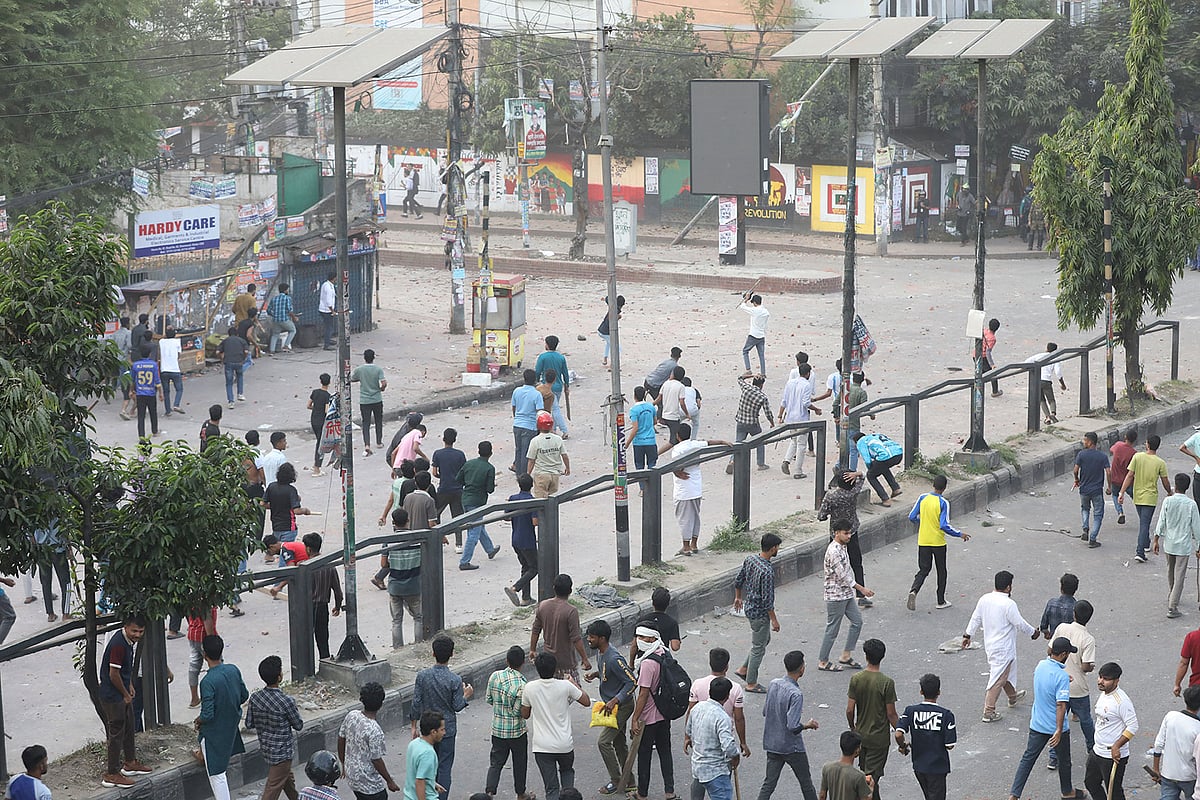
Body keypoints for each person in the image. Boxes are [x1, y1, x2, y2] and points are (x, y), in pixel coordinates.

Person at [1006, 637, 1079, 800]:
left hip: (1037, 724)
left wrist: (1063, 678)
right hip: (1055, 728)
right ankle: (1067, 792)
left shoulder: (1041, 666)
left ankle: (1014, 795)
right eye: (1068, 653)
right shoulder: (1061, 676)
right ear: (1063, 654)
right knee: (1065, 762)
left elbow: (1047, 682)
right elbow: (1061, 705)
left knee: (1028, 759)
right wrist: (1059, 730)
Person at [963, 570, 1040, 723]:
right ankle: (989, 710)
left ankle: (1013, 696)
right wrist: (1033, 632)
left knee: (1005, 673)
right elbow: (1019, 623)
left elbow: (975, 618)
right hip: (1003, 647)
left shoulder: (985, 599)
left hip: (991, 645)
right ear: (1008, 587)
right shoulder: (1008, 604)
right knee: (998, 678)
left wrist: (967, 635)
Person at [410, 636, 473, 800]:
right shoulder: (454, 679)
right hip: (447, 729)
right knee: (444, 767)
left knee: (426, 766)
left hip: (426, 727)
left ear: (432, 653)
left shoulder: (422, 676)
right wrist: (466, 695)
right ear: (452, 654)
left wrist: (413, 726)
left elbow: (416, 702)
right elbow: (457, 706)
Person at [521, 652, 589, 800]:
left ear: (537, 669)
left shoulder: (530, 688)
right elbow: (586, 701)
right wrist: (573, 683)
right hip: (564, 744)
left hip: (542, 746)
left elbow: (525, 714)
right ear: (555, 668)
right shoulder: (565, 686)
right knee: (567, 775)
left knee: (551, 789)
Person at [659, 423, 730, 556]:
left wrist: (676, 473)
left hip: (683, 490)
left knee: (684, 518)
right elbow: (708, 442)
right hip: (696, 487)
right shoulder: (695, 444)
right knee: (695, 516)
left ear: (677, 436)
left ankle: (686, 547)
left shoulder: (677, 449)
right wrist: (722, 441)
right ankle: (694, 544)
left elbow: (676, 466)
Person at [755, 650, 818, 800]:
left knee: (769, 784)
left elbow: (766, 712)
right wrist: (807, 725)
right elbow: (793, 726)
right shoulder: (796, 694)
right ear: (801, 668)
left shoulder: (774, 684)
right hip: (792, 747)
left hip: (772, 743)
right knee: (806, 783)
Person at [99, 615, 151, 788]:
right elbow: (113, 674)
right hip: (113, 696)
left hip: (120, 693)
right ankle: (112, 774)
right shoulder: (119, 645)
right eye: (134, 631)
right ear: (126, 627)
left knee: (129, 726)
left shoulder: (128, 641)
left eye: (141, 632)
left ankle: (130, 762)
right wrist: (125, 694)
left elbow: (122, 669)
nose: (137, 635)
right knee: (116, 734)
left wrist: (129, 685)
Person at [585, 620, 636, 795]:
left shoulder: (614, 658)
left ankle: (616, 780)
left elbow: (632, 682)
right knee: (619, 743)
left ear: (602, 638)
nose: (588, 639)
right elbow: (609, 674)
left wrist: (616, 700)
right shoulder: (601, 653)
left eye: (592, 637)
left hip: (622, 707)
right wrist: (596, 674)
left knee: (603, 742)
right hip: (611, 706)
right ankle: (629, 781)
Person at [195, 635, 249, 800]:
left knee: (217, 775)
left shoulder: (207, 681)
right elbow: (243, 695)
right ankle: (200, 755)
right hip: (231, 725)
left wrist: (198, 721)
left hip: (214, 733)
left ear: (204, 655)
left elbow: (208, 714)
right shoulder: (233, 670)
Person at [906, 475, 970, 612]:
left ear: (933, 485)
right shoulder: (943, 503)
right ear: (945, 487)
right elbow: (944, 525)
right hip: (938, 542)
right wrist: (960, 534)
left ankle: (914, 590)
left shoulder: (923, 497)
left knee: (924, 569)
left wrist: (922, 522)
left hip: (923, 540)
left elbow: (911, 516)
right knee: (941, 571)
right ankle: (941, 601)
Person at [244, 655, 304, 800]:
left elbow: (249, 724)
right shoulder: (287, 701)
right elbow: (298, 725)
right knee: (272, 789)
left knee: (286, 779)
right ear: (279, 677)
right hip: (282, 753)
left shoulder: (255, 697)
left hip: (267, 749)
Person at [819, 521, 875, 672]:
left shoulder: (843, 547)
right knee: (832, 630)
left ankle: (845, 655)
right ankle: (823, 661)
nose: (849, 536)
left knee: (857, 622)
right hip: (836, 595)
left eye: (850, 533)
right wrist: (861, 589)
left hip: (846, 594)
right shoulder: (833, 551)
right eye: (846, 533)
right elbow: (843, 575)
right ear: (836, 533)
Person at [845, 639, 897, 800]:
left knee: (867, 777)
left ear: (866, 656)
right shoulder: (886, 683)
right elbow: (891, 714)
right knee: (870, 781)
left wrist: (853, 728)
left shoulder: (856, 679)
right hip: (879, 739)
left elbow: (849, 710)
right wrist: (900, 732)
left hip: (862, 737)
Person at [1049, 600, 1097, 772]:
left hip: (1059, 684)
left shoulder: (1062, 628)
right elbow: (1086, 666)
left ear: (1074, 614)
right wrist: (1090, 667)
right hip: (1078, 687)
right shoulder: (1088, 639)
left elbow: (1050, 650)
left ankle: (1053, 756)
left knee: (1059, 720)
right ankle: (1093, 750)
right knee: (1086, 720)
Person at [894, 674, 957, 800]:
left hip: (919, 765)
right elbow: (950, 745)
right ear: (939, 692)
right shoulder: (946, 715)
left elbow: (898, 733)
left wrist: (903, 746)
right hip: (938, 767)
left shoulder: (911, 711)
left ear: (921, 691)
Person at [630, 626, 675, 800]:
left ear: (650, 639)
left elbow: (643, 693)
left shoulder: (648, 663)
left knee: (645, 755)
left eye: (642, 637)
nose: (638, 641)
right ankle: (669, 791)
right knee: (665, 751)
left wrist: (635, 718)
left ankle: (642, 793)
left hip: (648, 717)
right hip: (664, 713)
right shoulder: (664, 652)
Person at [734, 533, 782, 693]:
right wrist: (774, 620)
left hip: (749, 608)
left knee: (763, 640)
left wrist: (738, 597)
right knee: (758, 647)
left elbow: (739, 580)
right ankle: (751, 682)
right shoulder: (767, 571)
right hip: (760, 614)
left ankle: (744, 669)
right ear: (773, 548)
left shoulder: (750, 559)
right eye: (777, 547)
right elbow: (768, 600)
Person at [1084, 662, 1138, 800]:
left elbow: (1133, 726)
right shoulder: (1104, 694)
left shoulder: (1122, 701)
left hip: (1112, 756)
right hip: (1097, 751)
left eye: (1106, 679)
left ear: (1116, 681)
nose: (1101, 681)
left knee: (1114, 794)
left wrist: (1117, 746)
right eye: (1100, 677)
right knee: (1091, 783)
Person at [485, 646, 531, 800]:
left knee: (496, 763)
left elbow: (489, 699)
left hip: (497, 730)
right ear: (522, 663)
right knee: (520, 763)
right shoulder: (523, 685)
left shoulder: (495, 676)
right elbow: (521, 713)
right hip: (517, 732)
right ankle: (520, 793)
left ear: (506, 660)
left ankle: (489, 793)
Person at [340, 681, 400, 799]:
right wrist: (389, 781)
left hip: (352, 776)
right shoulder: (375, 731)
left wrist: (344, 763)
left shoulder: (352, 715)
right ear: (381, 704)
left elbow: (341, 738)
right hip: (369, 784)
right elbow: (376, 760)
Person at [685, 676, 741, 800]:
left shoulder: (697, 708)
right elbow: (728, 747)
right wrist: (736, 755)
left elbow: (688, 730)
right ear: (727, 697)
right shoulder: (722, 717)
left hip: (698, 766)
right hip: (716, 771)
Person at [1119, 433, 1172, 562]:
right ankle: (1140, 551)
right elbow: (1165, 481)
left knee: (1144, 522)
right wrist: (1170, 492)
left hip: (1138, 496)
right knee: (1144, 524)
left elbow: (1130, 475)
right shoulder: (1160, 463)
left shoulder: (1137, 457)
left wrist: (1121, 492)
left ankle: (1145, 543)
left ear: (1147, 444)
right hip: (1150, 498)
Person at [685, 648, 749, 756]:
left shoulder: (697, 684)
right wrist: (743, 742)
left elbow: (690, 712)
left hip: (701, 737)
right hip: (725, 735)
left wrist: (687, 736)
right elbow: (739, 718)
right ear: (727, 666)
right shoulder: (735, 688)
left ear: (710, 664)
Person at [1154, 474, 1200, 617]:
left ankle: (1172, 595)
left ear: (1176, 485)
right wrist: (1199, 546)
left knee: (1170, 571)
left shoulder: (1168, 501)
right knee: (1180, 575)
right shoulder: (1191, 504)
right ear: (1187, 487)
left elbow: (1161, 521)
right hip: (1183, 545)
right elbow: (1197, 528)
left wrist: (1156, 539)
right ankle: (1172, 606)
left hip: (1169, 543)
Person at [532, 573, 591, 682]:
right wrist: (584, 659)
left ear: (554, 588)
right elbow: (576, 639)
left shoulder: (543, 605)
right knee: (573, 693)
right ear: (570, 591)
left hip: (548, 663)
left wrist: (532, 649)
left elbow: (535, 630)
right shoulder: (571, 611)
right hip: (566, 664)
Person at [381, 509, 423, 648]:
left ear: (393, 523)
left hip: (395, 586)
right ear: (408, 521)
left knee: (396, 620)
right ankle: (419, 645)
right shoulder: (416, 539)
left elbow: (383, 564)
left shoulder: (388, 540)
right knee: (418, 617)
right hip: (414, 585)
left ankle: (398, 648)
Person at [1150, 685, 1200, 800]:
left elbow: (1158, 744)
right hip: (1189, 777)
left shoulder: (1170, 716)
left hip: (1168, 774)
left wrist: (1156, 769)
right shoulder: (1198, 728)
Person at [458, 440, 500, 570]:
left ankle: (490, 549)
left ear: (478, 451)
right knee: (474, 532)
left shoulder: (469, 463)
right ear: (491, 453)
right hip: (478, 501)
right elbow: (490, 489)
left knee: (478, 525)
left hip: (465, 499)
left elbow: (459, 479)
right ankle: (464, 561)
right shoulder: (489, 468)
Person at [778, 364, 822, 478]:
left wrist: (780, 415)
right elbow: (806, 403)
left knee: (793, 441)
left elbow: (784, 401)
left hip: (790, 418)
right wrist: (816, 409)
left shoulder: (790, 383)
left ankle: (787, 460)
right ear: (807, 374)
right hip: (802, 418)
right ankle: (798, 471)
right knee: (801, 444)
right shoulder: (806, 385)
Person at [728, 372, 775, 473]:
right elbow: (768, 413)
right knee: (760, 441)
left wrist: (752, 375)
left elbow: (740, 378)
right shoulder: (762, 397)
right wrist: (772, 423)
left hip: (740, 420)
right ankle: (760, 463)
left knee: (738, 442)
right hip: (752, 423)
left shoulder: (746, 388)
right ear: (761, 385)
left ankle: (732, 461)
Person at [306, 534, 343, 660]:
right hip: (322, 608)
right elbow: (338, 592)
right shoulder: (329, 566)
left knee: (305, 641)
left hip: (307, 608)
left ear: (308, 549)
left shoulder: (304, 567)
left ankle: (307, 670)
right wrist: (337, 607)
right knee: (323, 641)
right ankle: (325, 665)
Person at [505, 473, 539, 607]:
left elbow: (506, 517)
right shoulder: (532, 501)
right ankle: (515, 588)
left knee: (525, 567)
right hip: (527, 540)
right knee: (535, 568)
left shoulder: (513, 498)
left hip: (516, 539)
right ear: (532, 485)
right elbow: (535, 522)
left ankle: (526, 598)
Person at [431, 428, 467, 548]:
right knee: (457, 518)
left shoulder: (438, 454)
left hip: (444, 488)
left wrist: (443, 475)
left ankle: (439, 538)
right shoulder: (460, 454)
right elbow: (464, 472)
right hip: (457, 489)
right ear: (455, 440)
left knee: (436, 513)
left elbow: (434, 472)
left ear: (443, 439)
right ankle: (459, 544)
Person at [1075, 432, 1111, 547]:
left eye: (1085, 440)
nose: (1083, 442)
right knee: (1098, 514)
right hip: (1097, 490)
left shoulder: (1081, 455)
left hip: (1084, 489)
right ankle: (1093, 538)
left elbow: (1075, 470)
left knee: (1085, 509)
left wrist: (1077, 480)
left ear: (1090, 442)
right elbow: (1108, 472)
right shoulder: (1102, 456)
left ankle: (1085, 528)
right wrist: (1109, 486)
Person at [263, 463, 312, 544]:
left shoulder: (271, 486)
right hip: (288, 527)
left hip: (275, 526)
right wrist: (305, 511)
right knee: (286, 550)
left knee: (278, 549)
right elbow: (296, 510)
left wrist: (276, 505)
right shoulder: (291, 490)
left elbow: (263, 504)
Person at [351, 349, 387, 456]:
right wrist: (381, 389)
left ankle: (367, 444)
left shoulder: (359, 369)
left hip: (365, 400)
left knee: (365, 422)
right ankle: (379, 442)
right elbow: (384, 383)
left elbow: (352, 379)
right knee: (378, 420)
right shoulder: (378, 369)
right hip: (376, 399)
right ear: (373, 357)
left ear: (364, 357)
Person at [819, 731, 874, 800]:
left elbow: (822, 795)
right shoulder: (858, 776)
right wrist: (871, 787)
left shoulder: (827, 768)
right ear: (857, 751)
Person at [527, 410, 570, 498]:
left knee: (540, 500)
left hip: (541, 475)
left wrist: (528, 473)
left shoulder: (535, 441)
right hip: (555, 475)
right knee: (552, 499)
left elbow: (531, 460)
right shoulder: (558, 439)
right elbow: (564, 455)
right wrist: (567, 468)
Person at [535, 335, 571, 439]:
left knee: (554, 409)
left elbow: (537, 371)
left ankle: (564, 430)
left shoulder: (542, 357)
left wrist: (536, 382)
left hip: (546, 387)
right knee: (554, 408)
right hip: (558, 386)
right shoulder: (561, 357)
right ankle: (553, 429)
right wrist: (567, 385)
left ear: (547, 345)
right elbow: (565, 373)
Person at [853, 432, 904, 506]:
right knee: (882, 467)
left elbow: (867, 460)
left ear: (856, 441)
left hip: (885, 456)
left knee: (871, 475)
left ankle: (885, 499)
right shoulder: (875, 436)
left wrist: (870, 468)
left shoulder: (861, 441)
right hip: (898, 453)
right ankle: (896, 488)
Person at [405, 712, 445, 800]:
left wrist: (432, 783)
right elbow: (419, 782)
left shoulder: (414, 744)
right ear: (433, 732)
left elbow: (417, 772)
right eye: (442, 730)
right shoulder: (428, 753)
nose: (444, 733)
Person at [512, 369, 544, 474]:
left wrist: (516, 418)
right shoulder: (537, 394)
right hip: (530, 426)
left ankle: (518, 472)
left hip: (517, 424)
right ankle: (524, 475)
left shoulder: (517, 391)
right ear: (535, 380)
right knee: (526, 452)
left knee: (518, 449)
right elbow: (540, 412)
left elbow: (514, 407)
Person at [186, 607, 218, 708]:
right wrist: (212, 641)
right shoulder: (206, 599)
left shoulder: (191, 598)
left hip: (193, 634)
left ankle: (194, 698)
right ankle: (218, 695)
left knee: (194, 666)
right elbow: (207, 619)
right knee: (216, 665)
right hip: (204, 635)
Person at [1029, 342, 1067, 425]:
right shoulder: (1055, 358)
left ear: (1046, 348)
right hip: (1046, 381)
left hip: (1037, 380)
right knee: (1051, 399)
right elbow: (1058, 373)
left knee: (1041, 400)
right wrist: (1062, 384)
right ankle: (1053, 413)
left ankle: (1047, 417)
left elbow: (1027, 362)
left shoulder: (1039, 356)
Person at [636, 587, 683, 654]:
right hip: (661, 658)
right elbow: (675, 647)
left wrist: (631, 663)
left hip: (643, 657)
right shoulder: (672, 622)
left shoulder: (642, 620)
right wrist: (678, 642)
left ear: (653, 603)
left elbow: (634, 645)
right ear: (668, 604)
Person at [625, 385, 660, 472]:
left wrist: (627, 443)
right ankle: (652, 485)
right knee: (652, 467)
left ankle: (643, 486)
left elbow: (635, 428)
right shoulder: (651, 407)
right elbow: (655, 421)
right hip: (651, 440)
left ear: (634, 396)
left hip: (639, 442)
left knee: (639, 468)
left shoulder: (634, 410)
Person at [131, 345, 161, 439]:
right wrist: (160, 393)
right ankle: (155, 431)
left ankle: (141, 435)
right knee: (153, 413)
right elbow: (157, 380)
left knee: (141, 415)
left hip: (140, 394)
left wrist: (131, 390)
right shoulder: (154, 365)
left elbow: (132, 380)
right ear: (149, 354)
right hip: (151, 393)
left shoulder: (136, 365)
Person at [1040, 573, 1080, 642]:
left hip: (1054, 644)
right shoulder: (1077, 608)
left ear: (1061, 588)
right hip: (1071, 645)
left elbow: (1043, 625)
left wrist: (1046, 633)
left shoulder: (1051, 603)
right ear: (1075, 589)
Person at [844, 373, 872, 471]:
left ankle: (839, 465)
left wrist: (835, 415)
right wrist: (871, 415)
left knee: (844, 446)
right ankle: (852, 471)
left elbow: (836, 402)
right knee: (853, 449)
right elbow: (865, 407)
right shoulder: (861, 392)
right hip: (854, 424)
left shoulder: (846, 389)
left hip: (843, 422)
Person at [1110, 428, 1137, 525]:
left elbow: (1111, 449)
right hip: (1127, 480)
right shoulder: (1134, 453)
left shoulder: (1118, 445)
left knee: (1115, 495)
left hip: (1115, 478)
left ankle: (1120, 512)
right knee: (1135, 496)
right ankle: (1141, 511)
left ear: (1125, 437)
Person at [655, 366, 688, 445]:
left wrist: (651, 404)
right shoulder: (681, 386)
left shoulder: (666, 383)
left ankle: (658, 453)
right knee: (676, 440)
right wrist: (687, 414)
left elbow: (659, 398)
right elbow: (682, 403)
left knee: (673, 441)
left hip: (664, 415)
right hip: (673, 417)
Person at [739, 292, 770, 376]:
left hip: (753, 335)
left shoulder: (755, 310)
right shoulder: (766, 312)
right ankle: (763, 373)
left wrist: (746, 298)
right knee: (761, 355)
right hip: (761, 336)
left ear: (755, 303)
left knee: (745, 351)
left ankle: (748, 369)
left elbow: (742, 306)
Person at [217, 326, 248, 408]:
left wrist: (222, 358)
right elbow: (246, 351)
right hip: (239, 361)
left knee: (229, 383)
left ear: (228, 334)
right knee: (240, 377)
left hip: (228, 363)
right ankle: (240, 394)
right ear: (237, 334)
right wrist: (243, 359)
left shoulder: (225, 341)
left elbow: (217, 352)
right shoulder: (242, 341)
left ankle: (231, 402)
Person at [308, 374, 332, 476]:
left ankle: (315, 465)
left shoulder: (315, 392)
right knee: (320, 444)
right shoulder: (327, 396)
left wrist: (316, 408)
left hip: (314, 419)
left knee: (318, 442)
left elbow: (308, 405)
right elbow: (327, 411)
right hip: (322, 421)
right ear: (329, 382)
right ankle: (317, 468)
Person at [267, 282, 300, 354]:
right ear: (285, 290)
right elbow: (289, 310)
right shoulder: (287, 298)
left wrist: (275, 315)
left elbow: (268, 310)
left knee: (275, 335)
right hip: (284, 319)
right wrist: (294, 318)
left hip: (276, 320)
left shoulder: (274, 299)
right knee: (293, 330)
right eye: (287, 290)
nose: (288, 291)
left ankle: (271, 351)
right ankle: (286, 345)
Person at [158, 327, 184, 416]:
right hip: (174, 369)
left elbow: (163, 337)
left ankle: (168, 411)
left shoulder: (161, 341)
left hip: (164, 369)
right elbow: (179, 355)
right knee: (179, 389)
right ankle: (176, 404)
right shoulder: (177, 341)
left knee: (166, 391)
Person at [597, 295, 625, 367]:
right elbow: (611, 320)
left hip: (601, 330)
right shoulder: (617, 309)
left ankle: (605, 359)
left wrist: (604, 298)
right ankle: (613, 364)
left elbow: (607, 299)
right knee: (617, 347)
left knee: (608, 344)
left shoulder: (612, 303)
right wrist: (618, 317)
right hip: (606, 332)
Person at [983, 318, 1002, 396]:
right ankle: (995, 391)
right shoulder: (992, 338)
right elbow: (988, 352)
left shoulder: (984, 331)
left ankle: (977, 390)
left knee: (981, 373)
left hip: (975, 355)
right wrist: (992, 364)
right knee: (993, 374)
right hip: (983, 357)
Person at [318, 272, 337, 350]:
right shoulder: (328, 287)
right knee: (329, 327)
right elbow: (329, 301)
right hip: (326, 310)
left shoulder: (327, 284)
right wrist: (332, 311)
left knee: (329, 326)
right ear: (333, 278)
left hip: (324, 309)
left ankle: (328, 340)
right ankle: (327, 345)